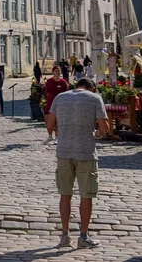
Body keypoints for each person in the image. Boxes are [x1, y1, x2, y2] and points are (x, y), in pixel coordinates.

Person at [46, 78, 110, 249]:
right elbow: (104, 127)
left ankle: (65, 236)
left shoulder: (60, 97)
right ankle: (83, 236)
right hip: (85, 152)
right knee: (86, 195)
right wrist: (96, 134)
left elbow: (50, 123)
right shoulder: (94, 98)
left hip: (64, 152)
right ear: (92, 88)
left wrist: (63, 131)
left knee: (65, 195)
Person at [43, 65, 69, 143]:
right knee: (47, 121)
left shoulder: (63, 82)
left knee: (57, 121)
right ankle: (50, 136)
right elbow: (47, 91)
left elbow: (66, 92)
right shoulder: (49, 81)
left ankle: (57, 137)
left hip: (60, 103)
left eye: (59, 71)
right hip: (50, 102)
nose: (58, 72)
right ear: (53, 72)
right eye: (56, 71)